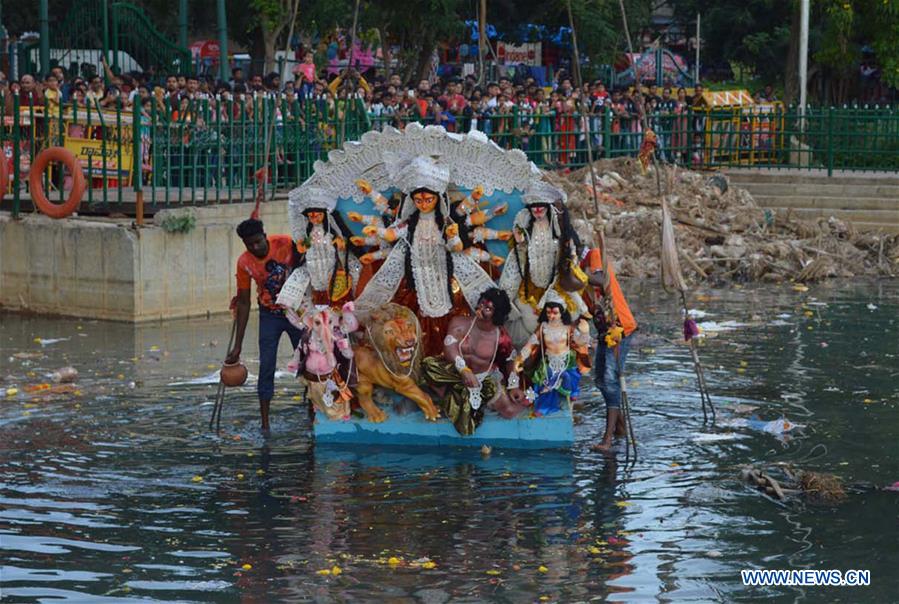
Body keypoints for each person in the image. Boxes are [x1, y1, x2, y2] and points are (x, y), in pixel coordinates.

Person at [226, 218, 302, 431]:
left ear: (265, 237)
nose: (255, 247)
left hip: (296, 311)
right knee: (266, 365)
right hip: (269, 315)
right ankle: (265, 424)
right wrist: (238, 346)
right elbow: (244, 303)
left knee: (308, 361)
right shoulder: (244, 263)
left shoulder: (285, 243)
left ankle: (313, 410)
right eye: (249, 244)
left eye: (258, 242)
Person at [422, 288, 525, 435]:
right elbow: (449, 346)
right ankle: (451, 396)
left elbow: (510, 360)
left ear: (497, 314)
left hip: (483, 380)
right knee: (428, 365)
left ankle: (465, 400)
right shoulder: (460, 322)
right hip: (457, 373)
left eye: (488, 308)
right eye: (481, 304)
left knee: (508, 411)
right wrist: (464, 370)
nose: (481, 309)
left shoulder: (501, 337)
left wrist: (514, 386)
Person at [581, 246, 637, 451]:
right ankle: (620, 427)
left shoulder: (594, 255)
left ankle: (607, 440)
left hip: (620, 328)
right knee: (600, 381)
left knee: (610, 379)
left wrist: (577, 274)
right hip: (604, 332)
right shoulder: (575, 275)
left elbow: (601, 280)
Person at [515, 290, 591, 416]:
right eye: (548, 312)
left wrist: (585, 332)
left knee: (566, 377)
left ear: (562, 312)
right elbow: (531, 343)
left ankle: (567, 389)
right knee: (544, 379)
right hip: (549, 361)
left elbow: (580, 342)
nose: (551, 316)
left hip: (566, 362)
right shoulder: (543, 327)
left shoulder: (568, 328)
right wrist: (521, 357)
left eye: (555, 312)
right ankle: (543, 404)